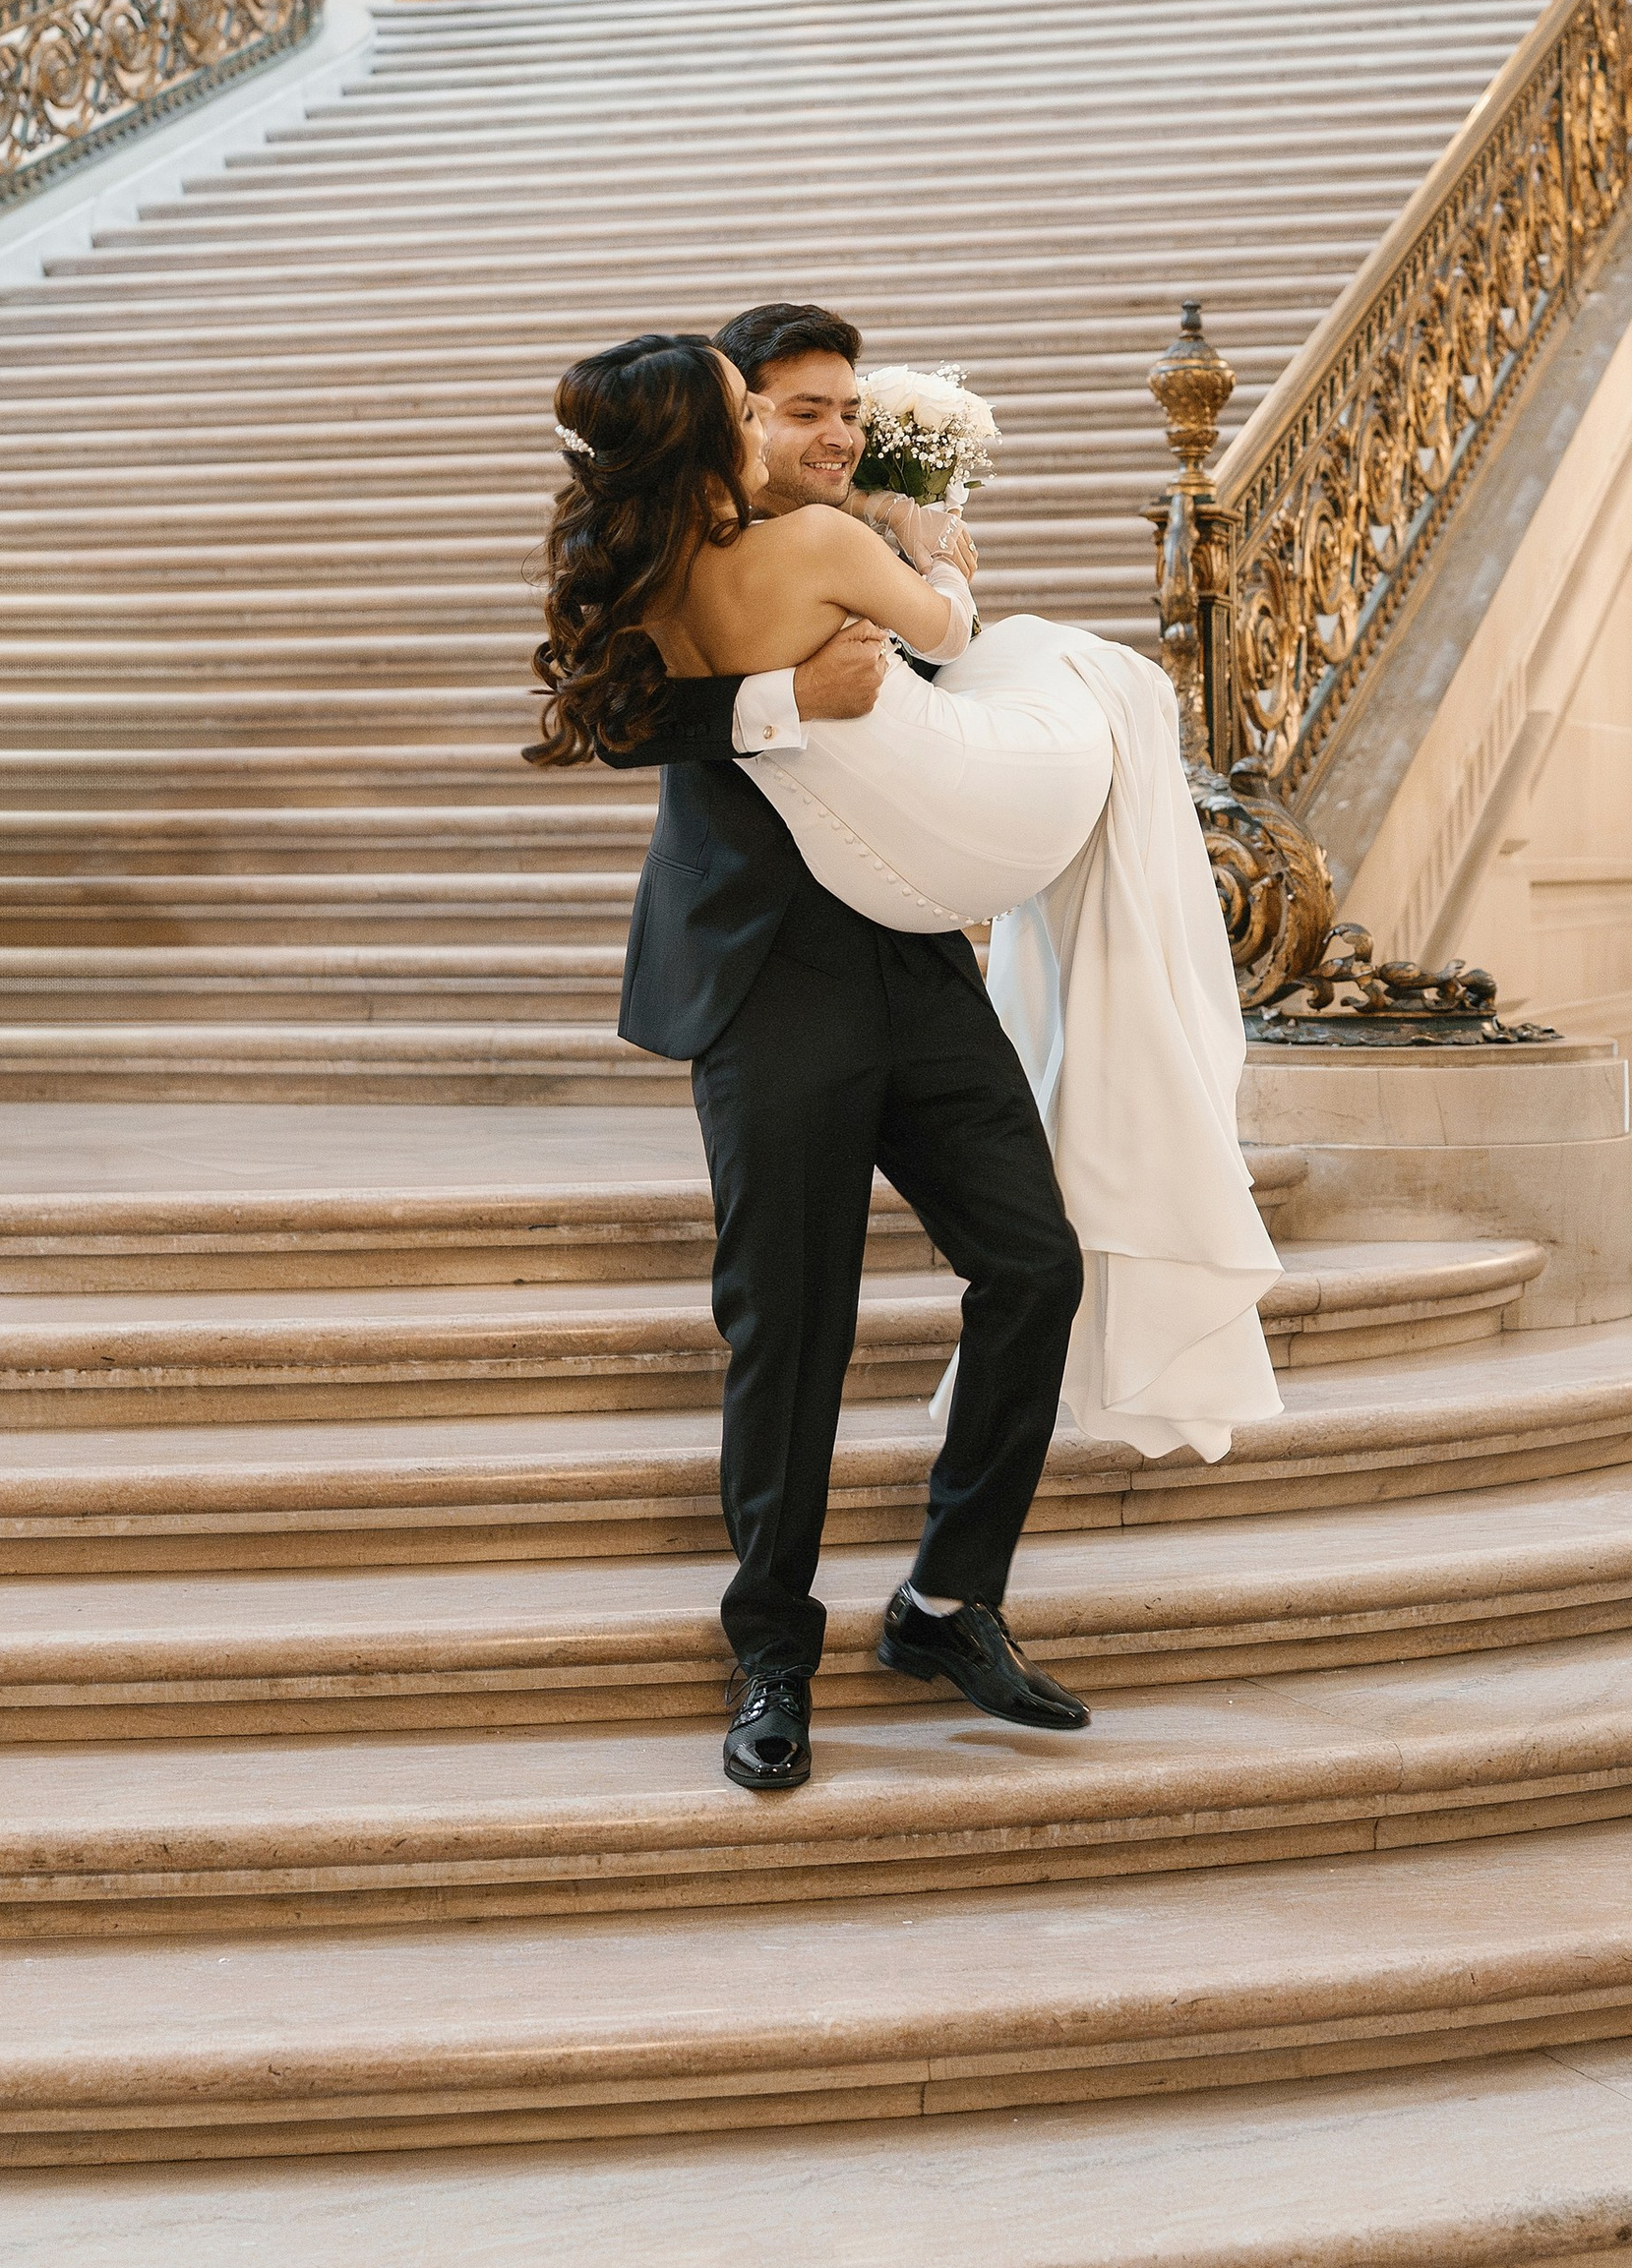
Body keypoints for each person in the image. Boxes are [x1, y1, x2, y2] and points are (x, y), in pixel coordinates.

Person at [528, 319, 1281, 1796]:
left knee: (1036, 1264)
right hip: (764, 974)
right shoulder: (663, 554)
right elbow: (615, 717)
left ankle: (946, 1599)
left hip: (915, 961)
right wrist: (784, 698)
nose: (822, 433)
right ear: (732, 420)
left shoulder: (836, 532)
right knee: (791, 1325)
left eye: (841, 410)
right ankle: (772, 1656)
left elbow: (941, 680)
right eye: (789, 408)